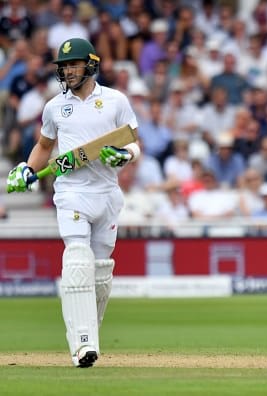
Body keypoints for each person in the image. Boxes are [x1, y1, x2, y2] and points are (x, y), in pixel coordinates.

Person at [5, 38, 140, 367]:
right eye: (63, 66)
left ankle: (89, 338)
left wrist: (123, 155)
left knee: (99, 272)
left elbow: (134, 145)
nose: (67, 70)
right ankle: (82, 345)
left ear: (91, 65)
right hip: (71, 191)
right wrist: (26, 168)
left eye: (73, 64)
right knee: (77, 259)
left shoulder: (115, 101)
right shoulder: (54, 107)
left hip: (107, 193)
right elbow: (43, 145)